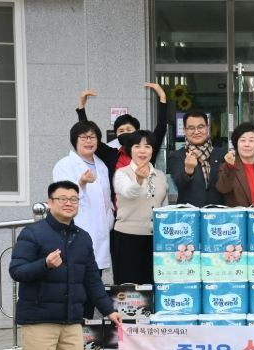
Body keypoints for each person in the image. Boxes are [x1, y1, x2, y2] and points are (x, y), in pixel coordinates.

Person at [9, 181, 122, 350]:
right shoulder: (33, 233)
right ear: (50, 203)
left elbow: (92, 280)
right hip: (39, 321)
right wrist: (45, 264)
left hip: (71, 321)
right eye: (62, 199)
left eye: (73, 199)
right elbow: (16, 270)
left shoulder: (83, 238)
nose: (69, 203)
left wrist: (109, 310)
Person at [75, 83, 168, 192]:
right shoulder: (111, 154)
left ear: (137, 132)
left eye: (129, 130)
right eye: (121, 131)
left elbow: (161, 127)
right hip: (118, 202)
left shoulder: (146, 151)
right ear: (116, 135)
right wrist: (81, 107)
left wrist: (162, 97)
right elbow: (89, 135)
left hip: (144, 201)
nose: (125, 133)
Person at [52, 121, 113, 271]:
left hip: (100, 233)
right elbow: (63, 198)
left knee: (95, 275)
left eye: (93, 137)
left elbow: (106, 198)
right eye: (84, 137)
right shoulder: (64, 165)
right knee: (76, 275)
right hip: (76, 230)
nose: (89, 141)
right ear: (75, 140)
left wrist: (109, 220)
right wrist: (81, 183)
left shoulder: (101, 166)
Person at [112, 130, 168, 285]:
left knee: (153, 283)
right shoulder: (121, 173)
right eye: (137, 146)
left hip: (156, 239)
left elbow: (164, 207)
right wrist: (138, 179)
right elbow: (129, 192)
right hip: (127, 238)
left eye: (147, 146)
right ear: (130, 150)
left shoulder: (160, 175)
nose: (142, 151)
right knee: (129, 287)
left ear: (153, 150)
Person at [168, 110, 226, 207]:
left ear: (207, 128)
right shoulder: (177, 156)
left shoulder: (221, 154)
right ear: (184, 130)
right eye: (191, 128)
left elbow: (226, 185)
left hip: (217, 212)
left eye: (200, 127)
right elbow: (178, 183)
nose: (196, 131)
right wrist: (188, 170)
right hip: (189, 213)